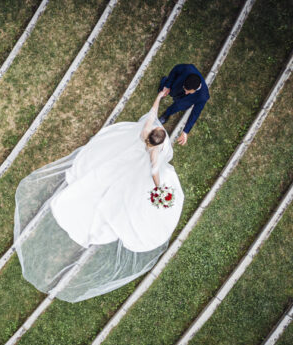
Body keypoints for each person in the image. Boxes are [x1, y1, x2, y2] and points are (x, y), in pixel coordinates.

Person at [13, 90, 184, 303]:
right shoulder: (154, 153)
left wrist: (159, 96)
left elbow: (152, 112)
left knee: (103, 175)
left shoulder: (145, 132)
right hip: (135, 171)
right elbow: (154, 172)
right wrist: (159, 189)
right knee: (117, 192)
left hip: (125, 160)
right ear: (158, 143)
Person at [158, 63, 210, 146]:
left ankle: (166, 114)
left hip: (185, 102)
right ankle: (163, 84)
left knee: (177, 106)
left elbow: (195, 114)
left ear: (195, 89)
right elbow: (175, 70)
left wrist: (185, 131)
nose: (186, 92)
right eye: (185, 89)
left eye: (188, 91)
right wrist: (167, 86)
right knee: (165, 87)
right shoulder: (188, 68)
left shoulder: (203, 96)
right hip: (176, 87)